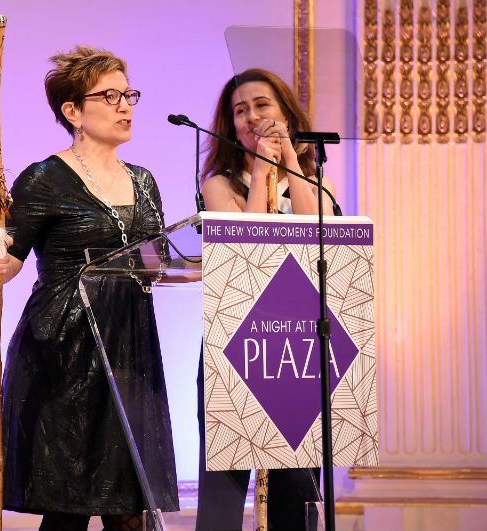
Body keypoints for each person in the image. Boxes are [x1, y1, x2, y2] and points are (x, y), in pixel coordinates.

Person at [0, 46, 178, 531]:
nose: (125, 105)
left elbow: (157, 259)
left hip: (130, 350)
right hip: (64, 350)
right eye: (109, 96)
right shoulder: (44, 178)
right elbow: (9, 262)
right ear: (72, 111)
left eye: (128, 94)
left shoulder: (145, 181)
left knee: (132, 506)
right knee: (67, 509)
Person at [196, 68, 337, 531]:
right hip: (236, 343)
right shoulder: (219, 184)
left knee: (296, 491)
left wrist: (290, 165)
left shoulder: (316, 185)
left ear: (286, 114)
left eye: (263, 105)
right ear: (230, 125)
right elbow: (247, 251)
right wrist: (260, 169)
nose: (253, 116)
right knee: (224, 488)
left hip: (298, 346)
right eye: (241, 111)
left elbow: (323, 229)